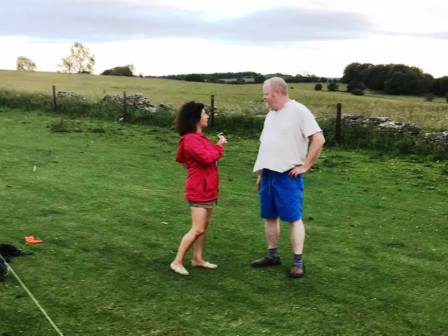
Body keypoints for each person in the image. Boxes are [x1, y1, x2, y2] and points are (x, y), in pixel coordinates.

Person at [251, 77, 325, 278]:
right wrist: (261, 173)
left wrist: (306, 165)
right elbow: (267, 144)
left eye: (265, 94)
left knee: (293, 218)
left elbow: (318, 139)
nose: (264, 98)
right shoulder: (271, 115)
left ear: (275, 92)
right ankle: (272, 255)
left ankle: (298, 262)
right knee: (269, 216)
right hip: (268, 175)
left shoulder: (299, 111)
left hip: (288, 175)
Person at [170, 101, 227, 276]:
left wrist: (217, 145)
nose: (207, 116)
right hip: (198, 190)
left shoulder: (199, 138)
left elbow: (207, 156)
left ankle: (197, 258)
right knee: (198, 229)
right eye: (204, 113)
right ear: (196, 118)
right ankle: (177, 261)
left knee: (203, 227)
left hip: (208, 189)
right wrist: (219, 146)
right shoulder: (190, 139)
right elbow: (207, 158)